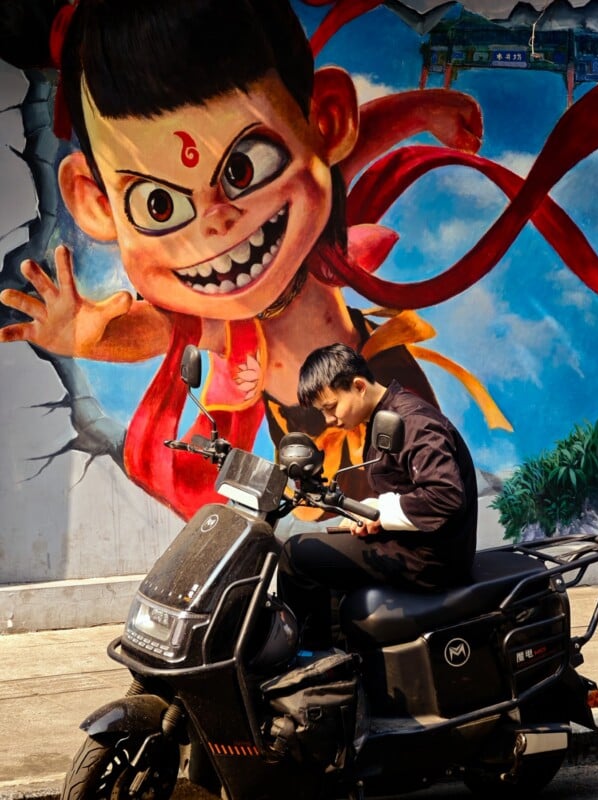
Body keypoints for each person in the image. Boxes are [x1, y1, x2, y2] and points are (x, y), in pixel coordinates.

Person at [0, 0, 506, 521]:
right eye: (160, 203)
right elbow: (161, 329)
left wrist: (421, 113)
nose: (214, 221)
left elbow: (340, 153)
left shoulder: (314, 234)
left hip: (376, 376)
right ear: (96, 203)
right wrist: (91, 336)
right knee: (341, 524)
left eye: (244, 167)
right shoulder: (231, 328)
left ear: (324, 122)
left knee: (431, 487)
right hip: (304, 429)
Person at [278, 342, 478, 648]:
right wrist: (374, 516)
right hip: (411, 544)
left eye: (330, 407)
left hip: (430, 560)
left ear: (358, 385)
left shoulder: (414, 422)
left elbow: (445, 497)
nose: (328, 420)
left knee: (296, 553)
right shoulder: (385, 416)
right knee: (322, 551)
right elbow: (404, 492)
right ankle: (340, 651)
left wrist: (380, 511)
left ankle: (308, 659)